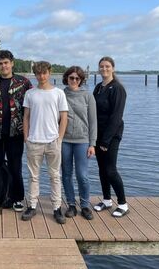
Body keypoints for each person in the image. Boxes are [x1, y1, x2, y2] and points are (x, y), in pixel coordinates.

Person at [0, 50, 33, 212]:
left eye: (6, 63)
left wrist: (28, 132)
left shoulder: (23, 83)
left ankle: (17, 198)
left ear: (12, 63)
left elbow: (30, 109)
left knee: (15, 166)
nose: (3, 66)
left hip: (16, 133)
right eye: (0, 63)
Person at [21, 61, 68, 224]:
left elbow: (64, 118)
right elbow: (25, 117)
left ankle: (57, 208)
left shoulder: (59, 93)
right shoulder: (30, 94)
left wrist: (59, 139)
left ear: (49, 72)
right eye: (38, 73)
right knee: (33, 176)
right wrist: (26, 137)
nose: (42, 76)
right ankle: (32, 206)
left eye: (44, 73)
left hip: (53, 141)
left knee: (55, 176)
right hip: (34, 141)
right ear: (35, 75)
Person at [92, 56, 129, 217]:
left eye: (107, 66)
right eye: (101, 66)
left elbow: (116, 116)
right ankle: (107, 200)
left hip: (111, 136)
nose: (104, 69)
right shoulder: (99, 87)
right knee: (101, 169)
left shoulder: (118, 89)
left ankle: (123, 203)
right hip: (98, 134)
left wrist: (106, 140)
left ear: (112, 68)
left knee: (110, 170)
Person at [61, 66, 97, 220]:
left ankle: (84, 205)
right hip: (64, 140)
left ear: (81, 80)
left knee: (82, 175)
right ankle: (70, 204)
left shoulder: (88, 96)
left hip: (82, 140)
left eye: (77, 78)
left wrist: (92, 143)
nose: (74, 80)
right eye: (71, 78)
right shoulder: (60, 95)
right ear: (67, 79)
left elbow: (93, 121)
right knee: (66, 174)